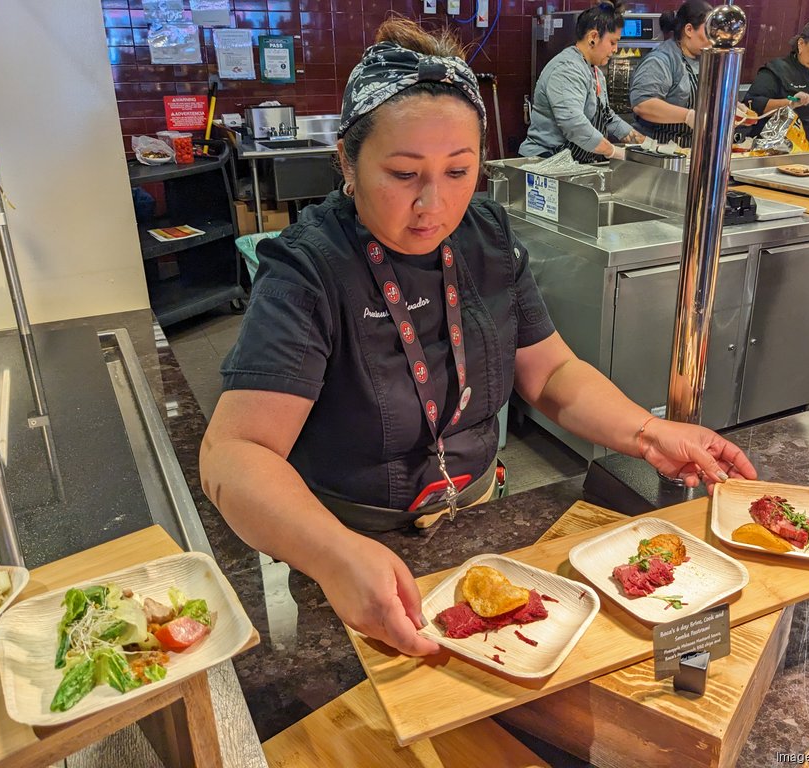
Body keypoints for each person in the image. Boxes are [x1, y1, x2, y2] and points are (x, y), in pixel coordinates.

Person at [200, 18, 757, 658]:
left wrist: (646, 431)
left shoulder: (485, 237)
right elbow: (233, 452)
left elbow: (547, 374)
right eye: (404, 175)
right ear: (347, 163)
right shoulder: (309, 270)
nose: (433, 206)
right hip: (354, 551)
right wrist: (335, 556)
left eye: (459, 171)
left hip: (486, 521)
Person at [518, 1, 645, 162]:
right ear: (593, 37)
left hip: (569, 162)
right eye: (612, 42)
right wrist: (613, 151)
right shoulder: (566, 70)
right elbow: (574, 125)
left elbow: (607, 118)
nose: (615, 49)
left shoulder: (595, 72)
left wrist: (645, 145)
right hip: (544, 162)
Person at [628, 1, 712, 147]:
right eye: (709, 31)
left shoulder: (705, 60)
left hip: (691, 150)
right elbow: (643, 105)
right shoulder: (661, 60)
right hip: (658, 151)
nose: (713, 38)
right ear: (689, 30)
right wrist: (688, 116)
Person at [744, 19, 809, 146]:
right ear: (801, 44)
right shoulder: (776, 70)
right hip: (780, 148)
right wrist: (790, 102)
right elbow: (752, 105)